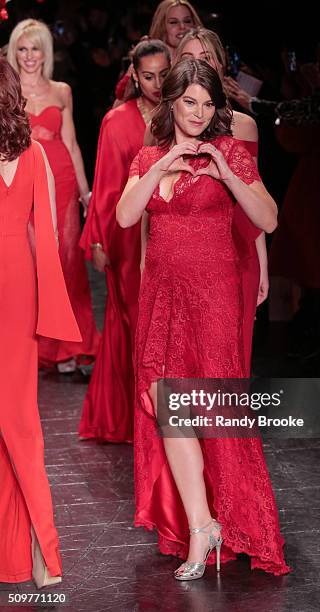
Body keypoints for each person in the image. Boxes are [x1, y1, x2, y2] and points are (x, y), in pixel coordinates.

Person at [117, 59, 290, 579]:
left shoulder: (231, 151)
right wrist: (166, 160)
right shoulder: (150, 155)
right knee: (170, 411)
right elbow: (126, 216)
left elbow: (268, 218)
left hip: (212, 299)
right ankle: (201, 527)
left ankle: (240, 521)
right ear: (171, 103)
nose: (198, 113)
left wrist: (223, 171)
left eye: (207, 103)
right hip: (162, 299)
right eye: (189, 102)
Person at [0, 58, 81, 587]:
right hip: (18, 284)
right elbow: (46, 236)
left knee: (17, 418)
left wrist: (52, 307)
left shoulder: (33, 155)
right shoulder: (30, 154)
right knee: (16, 418)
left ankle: (40, 547)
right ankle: (21, 553)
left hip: (14, 289)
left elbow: (48, 234)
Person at [79, 40, 171, 443]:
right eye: (147, 76)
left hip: (172, 231)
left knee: (162, 328)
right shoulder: (117, 121)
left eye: (163, 75)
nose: (155, 84)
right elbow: (106, 185)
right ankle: (140, 421)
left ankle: (154, 418)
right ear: (134, 75)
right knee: (136, 323)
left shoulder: (181, 114)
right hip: (129, 235)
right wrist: (98, 239)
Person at [169, 27, 269, 374]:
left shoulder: (243, 126)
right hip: (177, 259)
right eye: (187, 59)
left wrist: (262, 263)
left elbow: (255, 202)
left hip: (235, 252)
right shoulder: (160, 128)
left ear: (220, 65)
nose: (197, 67)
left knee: (229, 362)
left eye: (205, 59)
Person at [7, 19, 100, 374]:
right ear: (14, 52)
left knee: (67, 263)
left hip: (61, 180)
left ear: (47, 53)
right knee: (31, 262)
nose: (30, 56)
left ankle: (72, 346)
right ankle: (39, 346)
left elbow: (72, 144)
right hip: (22, 181)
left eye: (36, 49)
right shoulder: (6, 90)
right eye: (23, 49)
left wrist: (85, 191)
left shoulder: (62, 90)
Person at [114, 0, 202, 103]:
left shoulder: (203, 56)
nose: (182, 27)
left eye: (187, 21)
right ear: (162, 26)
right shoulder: (147, 58)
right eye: (173, 22)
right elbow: (120, 101)